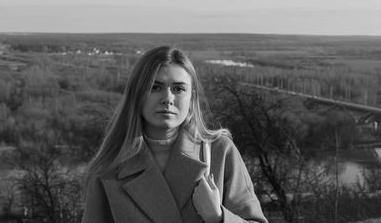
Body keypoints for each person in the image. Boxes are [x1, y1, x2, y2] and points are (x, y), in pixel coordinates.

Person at [81, 46, 268, 223]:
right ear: (137, 95)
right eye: (155, 87)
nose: (168, 99)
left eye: (178, 89)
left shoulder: (219, 152)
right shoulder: (109, 168)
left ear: (192, 97)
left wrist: (218, 218)